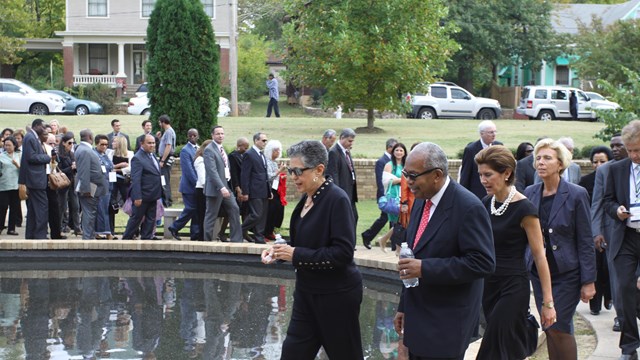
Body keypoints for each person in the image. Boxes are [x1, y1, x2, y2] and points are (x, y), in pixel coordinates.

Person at [261, 140, 363, 359]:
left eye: (298, 171)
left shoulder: (337, 200)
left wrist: (295, 254)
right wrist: (279, 251)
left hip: (336, 297)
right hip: (307, 293)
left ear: (319, 170)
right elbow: (305, 241)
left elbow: (343, 253)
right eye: (290, 170)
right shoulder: (306, 199)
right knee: (292, 354)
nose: (293, 176)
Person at [393, 142, 495, 360]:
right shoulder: (421, 200)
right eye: (405, 174)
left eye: (413, 175)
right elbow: (412, 257)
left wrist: (425, 268)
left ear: (437, 175)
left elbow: (483, 262)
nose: (408, 181)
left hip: (447, 322)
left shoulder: (468, 207)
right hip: (418, 315)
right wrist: (404, 306)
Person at [474, 145, 556, 359]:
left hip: (513, 287)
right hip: (488, 286)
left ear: (507, 173)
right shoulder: (485, 203)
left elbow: (540, 256)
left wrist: (547, 303)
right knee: (506, 349)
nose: (483, 180)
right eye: (481, 174)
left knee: (491, 349)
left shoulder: (525, 209)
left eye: (488, 175)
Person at [524, 138, 596, 360]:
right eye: (538, 158)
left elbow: (585, 239)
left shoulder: (576, 194)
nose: (541, 163)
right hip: (539, 273)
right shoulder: (530, 192)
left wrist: (589, 281)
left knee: (559, 325)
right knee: (549, 326)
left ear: (560, 164)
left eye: (547, 158)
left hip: (567, 274)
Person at [603, 120, 640, 360]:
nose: (634, 155)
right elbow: (607, 201)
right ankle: (629, 347)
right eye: (630, 150)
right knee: (624, 290)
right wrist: (617, 210)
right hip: (625, 237)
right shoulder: (617, 169)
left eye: (638, 149)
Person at [592, 133, 628, 333]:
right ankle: (620, 316)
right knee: (616, 276)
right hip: (612, 229)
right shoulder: (604, 171)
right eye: (612, 146)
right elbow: (596, 203)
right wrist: (596, 232)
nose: (614, 149)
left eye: (619, 145)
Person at [578, 146, 614, 317]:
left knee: (609, 267)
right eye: (595, 162)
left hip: (612, 227)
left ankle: (609, 296)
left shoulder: (614, 177)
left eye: (602, 161)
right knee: (596, 266)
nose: (598, 165)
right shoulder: (585, 182)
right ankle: (595, 304)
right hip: (591, 228)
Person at [204, 126, 243, 243]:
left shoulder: (222, 149)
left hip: (226, 186)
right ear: (212, 135)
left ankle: (236, 240)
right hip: (216, 188)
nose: (220, 136)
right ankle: (207, 241)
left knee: (235, 209)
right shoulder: (209, 150)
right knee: (211, 215)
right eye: (218, 134)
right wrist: (221, 187)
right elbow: (212, 171)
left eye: (222, 133)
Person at [122, 135, 163, 240]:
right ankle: (125, 240)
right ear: (142, 144)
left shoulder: (152, 155)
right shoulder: (138, 158)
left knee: (150, 219)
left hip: (153, 195)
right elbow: (136, 179)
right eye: (149, 143)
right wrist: (137, 196)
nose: (152, 145)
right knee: (136, 219)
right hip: (142, 196)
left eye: (153, 143)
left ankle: (146, 239)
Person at [362, 138, 397, 249]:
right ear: (389, 148)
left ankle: (393, 243)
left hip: (394, 195)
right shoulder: (382, 161)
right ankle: (367, 236)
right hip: (385, 195)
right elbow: (380, 180)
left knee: (392, 219)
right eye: (395, 148)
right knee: (385, 218)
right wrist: (383, 196)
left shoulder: (395, 161)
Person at [19, 119, 51, 239]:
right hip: (35, 179)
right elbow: (31, 157)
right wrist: (46, 157)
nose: (44, 130)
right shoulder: (30, 137)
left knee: (33, 209)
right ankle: (40, 235)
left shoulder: (32, 137)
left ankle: (31, 234)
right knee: (42, 207)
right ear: (36, 126)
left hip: (35, 179)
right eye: (43, 127)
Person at [75, 130, 109, 240]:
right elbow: (84, 172)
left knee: (90, 213)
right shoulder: (85, 150)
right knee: (89, 213)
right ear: (90, 137)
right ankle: (87, 238)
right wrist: (86, 189)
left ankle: (88, 236)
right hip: (90, 187)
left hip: (91, 186)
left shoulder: (83, 149)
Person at [168, 129, 199, 240]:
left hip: (199, 186)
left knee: (196, 211)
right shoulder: (185, 150)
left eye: (195, 135)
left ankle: (195, 234)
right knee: (191, 208)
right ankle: (174, 227)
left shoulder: (199, 149)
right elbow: (188, 170)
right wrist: (197, 184)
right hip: (189, 187)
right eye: (190, 135)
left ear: (198, 136)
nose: (192, 137)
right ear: (187, 136)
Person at [459, 120, 502, 199]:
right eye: (491, 132)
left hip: (496, 193)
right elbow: (465, 175)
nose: (494, 135)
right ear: (481, 133)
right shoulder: (471, 149)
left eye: (495, 132)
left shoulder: (499, 146)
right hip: (478, 194)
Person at [327, 128, 359, 233]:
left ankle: (351, 244)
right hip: (342, 192)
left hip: (350, 192)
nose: (351, 143)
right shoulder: (334, 152)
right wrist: (338, 193)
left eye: (352, 141)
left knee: (354, 217)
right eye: (350, 141)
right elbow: (333, 174)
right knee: (346, 220)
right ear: (342, 138)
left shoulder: (346, 151)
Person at [240, 132, 270, 244]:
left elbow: (264, 174)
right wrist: (245, 192)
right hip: (254, 190)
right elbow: (245, 175)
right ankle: (240, 230)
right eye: (263, 140)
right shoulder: (249, 154)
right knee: (256, 214)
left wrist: (269, 190)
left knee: (262, 216)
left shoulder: (262, 154)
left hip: (264, 190)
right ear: (256, 141)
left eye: (266, 140)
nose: (265, 142)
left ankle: (259, 237)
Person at [378, 142, 407, 252]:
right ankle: (396, 247)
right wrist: (403, 180)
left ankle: (385, 240)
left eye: (401, 150)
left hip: (404, 196)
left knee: (402, 221)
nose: (399, 152)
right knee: (399, 222)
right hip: (394, 197)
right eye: (397, 150)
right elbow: (386, 181)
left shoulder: (406, 165)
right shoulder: (389, 165)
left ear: (404, 153)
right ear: (393, 152)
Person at [57, 132, 82, 237]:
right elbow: (59, 170)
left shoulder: (72, 154)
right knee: (62, 207)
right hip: (63, 184)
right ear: (63, 143)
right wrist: (70, 168)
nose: (71, 145)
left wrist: (75, 167)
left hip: (72, 183)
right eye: (69, 143)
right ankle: (59, 228)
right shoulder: (59, 155)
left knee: (76, 206)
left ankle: (77, 228)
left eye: (73, 143)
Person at [109, 135, 133, 236]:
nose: (112, 143)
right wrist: (120, 166)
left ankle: (133, 231)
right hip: (113, 181)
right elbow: (109, 167)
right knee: (111, 205)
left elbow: (130, 168)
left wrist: (116, 169)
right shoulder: (110, 153)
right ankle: (111, 231)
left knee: (129, 204)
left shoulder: (130, 154)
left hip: (125, 182)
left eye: (114, 142)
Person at [264, 140, 287, 240]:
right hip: (268, 189)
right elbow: (269, 177)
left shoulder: (274, 162)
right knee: (271, 210)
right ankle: (265, 232)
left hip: (275, 189)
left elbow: (275, 176)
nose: (278, 152)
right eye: (275, 150)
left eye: (279, 150)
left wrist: (280, 176)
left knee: (279, 209)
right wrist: (279, 171)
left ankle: (270, 230)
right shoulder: (266, 161)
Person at [93, 135, 114, 240]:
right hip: (98, 187)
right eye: (102, 144)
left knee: (104, 209)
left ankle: (99, 231)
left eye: (106, 144)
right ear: (96, 144)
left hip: (108, 186)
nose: (104, 146)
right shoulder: (94, 155)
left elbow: (110, 167)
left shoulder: (105, 155)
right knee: (101, 210)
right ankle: (106, 232)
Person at [0, 136, 21, 235]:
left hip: (16, 185)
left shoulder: (19, 155)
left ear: (14, 145)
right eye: (5, 145)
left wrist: (17, 165)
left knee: (14, 207)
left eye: (9, 145)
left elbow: (24, 171)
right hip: (3, 185)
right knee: (3, 206)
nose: (7, 147)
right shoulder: (1, 156)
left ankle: (11, 229)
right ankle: (1, 226)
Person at [194, 140, 213, 241]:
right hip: (202, 190)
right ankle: (201, 237)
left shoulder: (207, 159)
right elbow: (202, 178)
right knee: (202, 215)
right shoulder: (200, 160)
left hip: (207, 189)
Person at [157, 115, 176, 207]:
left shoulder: (168, 132)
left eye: (160, 122)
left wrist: (162, 160)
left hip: (166, 158)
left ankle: (167, 200)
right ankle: (166, 199)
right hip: (166, 158)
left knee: (164, 179)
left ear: (163, 122)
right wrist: (160, 138)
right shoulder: (168, 132)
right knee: (164, 179)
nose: (159, 124)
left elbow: (168, 146)